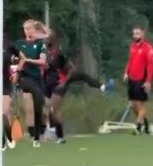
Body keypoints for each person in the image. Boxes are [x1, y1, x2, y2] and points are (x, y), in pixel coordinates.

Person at [44, 29, 104, 144]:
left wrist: (64, 82)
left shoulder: (59, 54)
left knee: (52, 109)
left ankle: (51, 131)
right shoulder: (45, 53)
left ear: (53, 39)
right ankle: (60, 136)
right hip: (49, 84)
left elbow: (72, 69)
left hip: (59, 84)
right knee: (53, 111)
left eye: (48, 37)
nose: (45, 40)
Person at [15, 19, 48, 147]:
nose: (28, 31)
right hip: (25, 78)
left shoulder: (40, 44)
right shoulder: (19, 44)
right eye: (25, 29)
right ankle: (33, 135)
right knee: (28, 107)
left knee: (41, 107)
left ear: (35, 30)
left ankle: (42, 131)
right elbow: (16, 59)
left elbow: (42, 62)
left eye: (30, 28)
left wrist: (27, 60)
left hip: (37, 79)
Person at [124, 26, 153, 135]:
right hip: (131, 79)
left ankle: (137, 127)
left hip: (141, 80)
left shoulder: (148, 48)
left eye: (137, 33)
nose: (135, 36)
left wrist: (148, 81)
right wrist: (126, 73)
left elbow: (150, 66)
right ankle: (144, 123)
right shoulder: (132, 47)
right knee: (133, 105)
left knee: (140, 105)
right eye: (134, 34)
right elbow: (130, 61)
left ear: (142, 34)